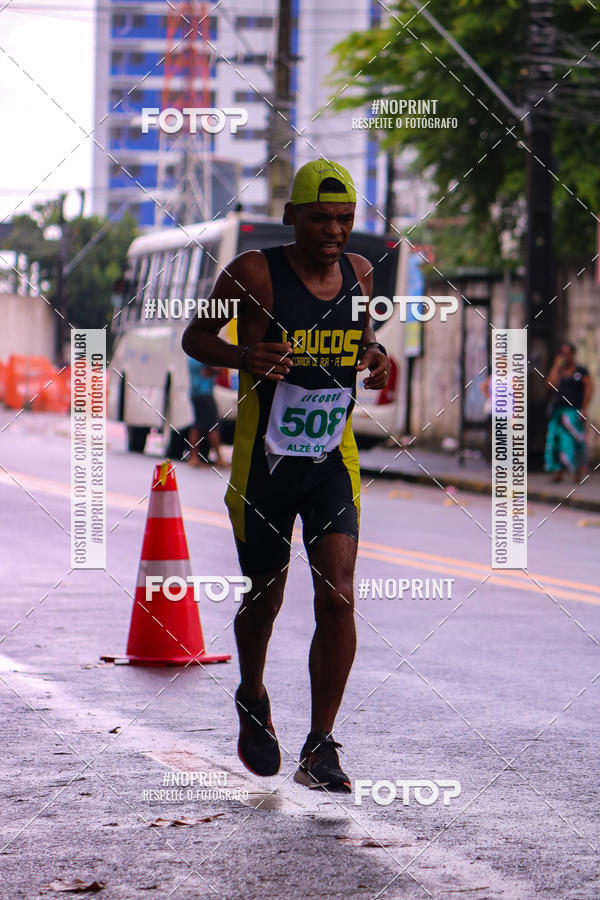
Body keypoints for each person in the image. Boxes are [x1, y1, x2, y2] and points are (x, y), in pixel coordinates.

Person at [182, 160, 390, 792]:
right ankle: (252, 693)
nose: (334, 231)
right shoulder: (253, 273)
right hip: (263, 467)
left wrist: (377, 357)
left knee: (337, 592)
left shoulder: (359, 273)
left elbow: (364, 341)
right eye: (321, 217)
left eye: (345, 219)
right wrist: (245, 354)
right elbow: (195, 337)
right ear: (292, 216)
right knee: (266, 596)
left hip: (331, 461)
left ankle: (321, 746)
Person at [544, 341, 593, 482]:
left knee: (576, 441)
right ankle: (557, 472)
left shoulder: (581, 371)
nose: (565, 357)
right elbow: (549, 385)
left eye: (567, 354)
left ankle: (577, 473)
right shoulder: (559, 371)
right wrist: (555, 367)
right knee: (556, 442)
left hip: (574, 412)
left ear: (573, 354)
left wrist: (584, 408)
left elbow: (589, 389)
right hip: (558, 412)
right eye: (562, 354)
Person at [187, 356, 226, 468]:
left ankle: (193, 457)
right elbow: (217, 369)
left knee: (197, 425)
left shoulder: (191, 355)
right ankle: (219, 458)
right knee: (213, 426)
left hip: (195, 394)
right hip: (205, 394)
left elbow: (211, 370)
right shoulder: (201, 355)